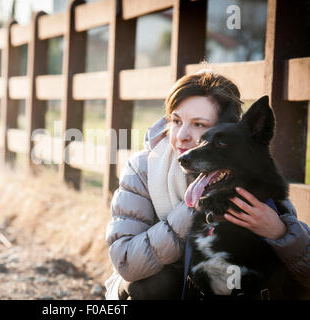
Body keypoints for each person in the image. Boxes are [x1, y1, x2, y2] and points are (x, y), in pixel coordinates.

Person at [104, 70, 310, 300]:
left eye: (199, 124)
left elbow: (305, 273)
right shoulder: (143, 168)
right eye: (176, 120)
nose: (181, 135)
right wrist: (193, 210)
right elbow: (127, 262)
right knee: (158, 285)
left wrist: (280, 233)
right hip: (156, 286)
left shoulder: (253, 176)